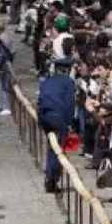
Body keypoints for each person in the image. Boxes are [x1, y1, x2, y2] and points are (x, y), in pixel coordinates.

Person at [37, 57, 76, 193]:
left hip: (44, 116)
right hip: (58, 117)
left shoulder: (47, 81)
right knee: (59, 148)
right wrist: (69, 123)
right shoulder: (69, 83)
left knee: (51, 146)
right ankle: (52, 177)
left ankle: (50, 174)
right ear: (68, 70)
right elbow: (69, 104)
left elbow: (40, 100)